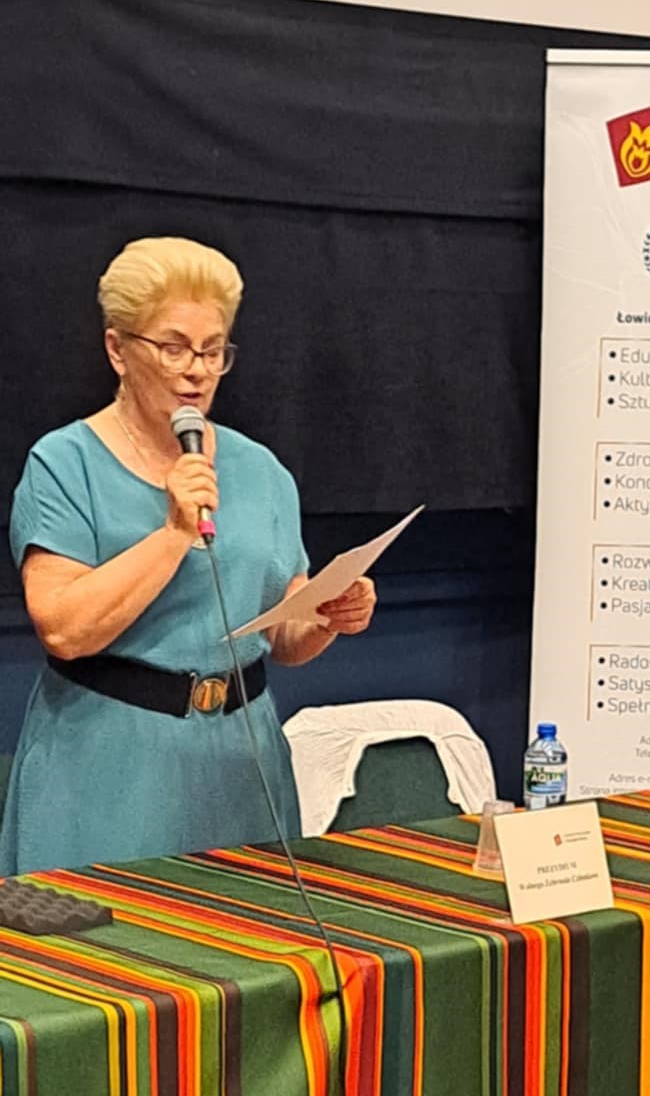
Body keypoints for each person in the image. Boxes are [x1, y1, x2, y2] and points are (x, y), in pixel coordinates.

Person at [0, 236, 376, 875]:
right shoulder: (64, 464)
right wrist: (174, 532)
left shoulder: (262, 471)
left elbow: (282, 634)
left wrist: (326, 616)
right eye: (173, 347)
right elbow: (63, 629)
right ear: (118, 349)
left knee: (250, 937)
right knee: (108, 939)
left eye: (212, 350)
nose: (197, 370)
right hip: (107, 765)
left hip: (240, 764)